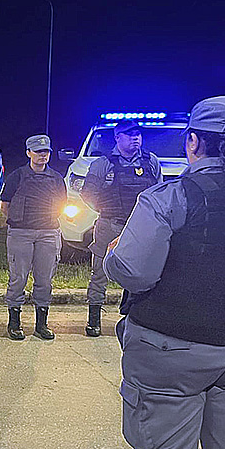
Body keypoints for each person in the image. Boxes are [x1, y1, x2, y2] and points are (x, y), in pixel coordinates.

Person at [105, 95, 225, 449]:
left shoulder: (168, 197)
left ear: (192, 141)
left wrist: (113, 252)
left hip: (171, 351)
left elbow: (135, 274)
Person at [79, 119, 162, 337]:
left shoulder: (151, 161)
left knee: (140, 274)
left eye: (138, 134)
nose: (136, 138)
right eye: (130, 134)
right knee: (100, 273)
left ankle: (135, 319)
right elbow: (87, 194)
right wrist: (105, 208)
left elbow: (157, 192)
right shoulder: (103, 164)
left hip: (140, 229)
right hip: (110, 225)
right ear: (118, 138)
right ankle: (94, 320)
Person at [0, 134, 67, 341]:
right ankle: (15, 323)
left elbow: (62, 204)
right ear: (28, 152)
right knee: (18, 278)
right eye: (38, 152)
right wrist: (19, 222)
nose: (42, 155)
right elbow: (5, 205)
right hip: (21, 233)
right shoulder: (17, 176)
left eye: (46, 152)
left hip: (48, 232)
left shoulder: (56, 178)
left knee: (45, 280)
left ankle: (41, 325)